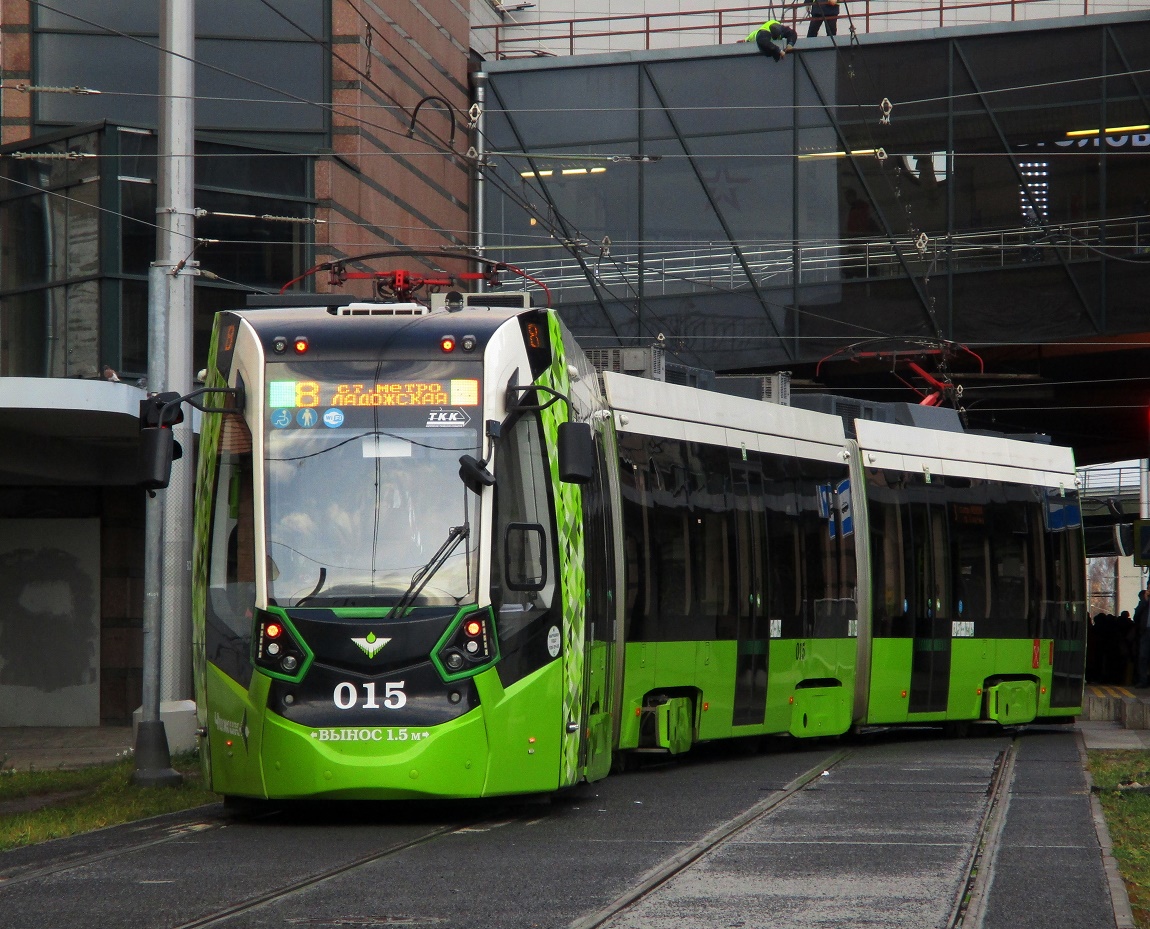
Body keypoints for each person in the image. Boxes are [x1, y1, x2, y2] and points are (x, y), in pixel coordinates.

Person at [1134, 590, 1149, 688]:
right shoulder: (1144, 603)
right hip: (1146, 632)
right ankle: (1143, 680)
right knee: (1143, 656)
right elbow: (1136, 617)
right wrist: (1145, 601)